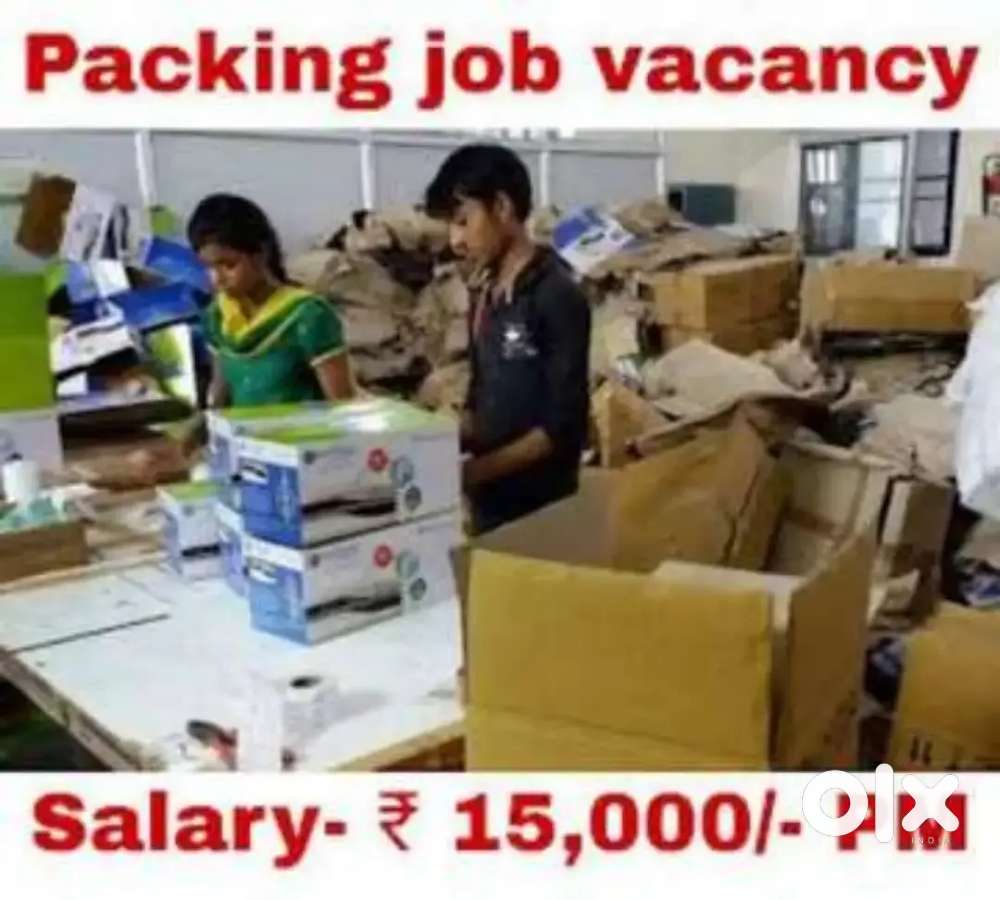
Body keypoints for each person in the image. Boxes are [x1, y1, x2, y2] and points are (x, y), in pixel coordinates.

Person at [425, 144, 591, 534]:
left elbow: (560, 430)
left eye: (463, 221)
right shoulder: (483, 293)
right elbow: (479, 396)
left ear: (501, 207)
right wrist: (428, 445)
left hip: (544, 514)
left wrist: (470, 474)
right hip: (487, 507)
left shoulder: (557, 296)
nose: (455, 241)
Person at [188, 193, 355, 407]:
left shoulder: (308, 316)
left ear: (261, 254)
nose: (217, 279)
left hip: (302, 429)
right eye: (208, 267)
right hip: (242, 429)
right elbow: (220, 393)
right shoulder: (217, 317)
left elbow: (342, 405)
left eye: (228, 265)